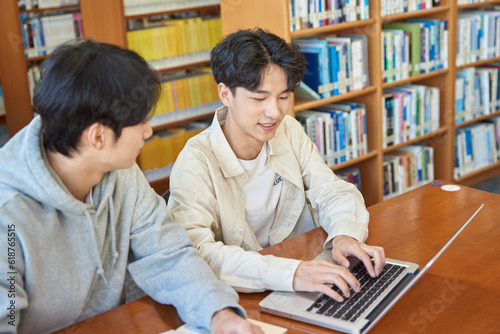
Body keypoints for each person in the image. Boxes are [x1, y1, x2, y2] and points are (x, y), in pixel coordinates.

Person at [0, 39, 263, 334]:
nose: (149, 131)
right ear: (98, 137)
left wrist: (220, 313)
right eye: (141, 121)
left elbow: (167, 255)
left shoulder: (118, 170)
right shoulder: (7, 215)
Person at [167, 28, 386, 302]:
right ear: (225, 94)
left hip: (307, 272)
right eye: (259, 98)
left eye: (283, 97)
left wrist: (345, 234)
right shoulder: (196, 161)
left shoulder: (289, 130)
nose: (275, 112)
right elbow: (198, 254)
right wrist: (291, 274)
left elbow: (332, 190)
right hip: (243, 295)